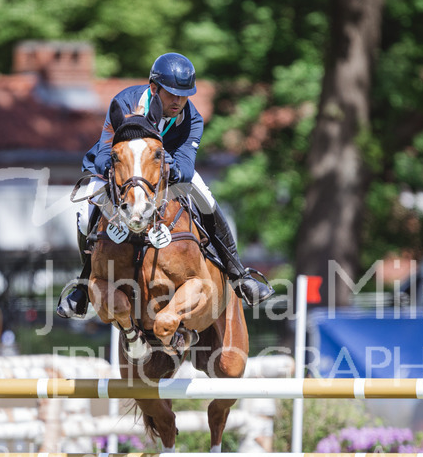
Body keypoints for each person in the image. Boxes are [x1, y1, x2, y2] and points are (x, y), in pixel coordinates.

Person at [56, 52, 273, 318]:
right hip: (124, 170)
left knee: (206, 199)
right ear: (153, 87)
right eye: (171, 94)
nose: (178, 101)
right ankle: (83, 283)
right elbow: (104, 151)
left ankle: (239, 275)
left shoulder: (192, 119)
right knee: (82, 213)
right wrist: (125, 168)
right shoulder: (124, 103)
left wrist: (160, 164)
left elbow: (186, 165)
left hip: (165, 175)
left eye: (184, 95)